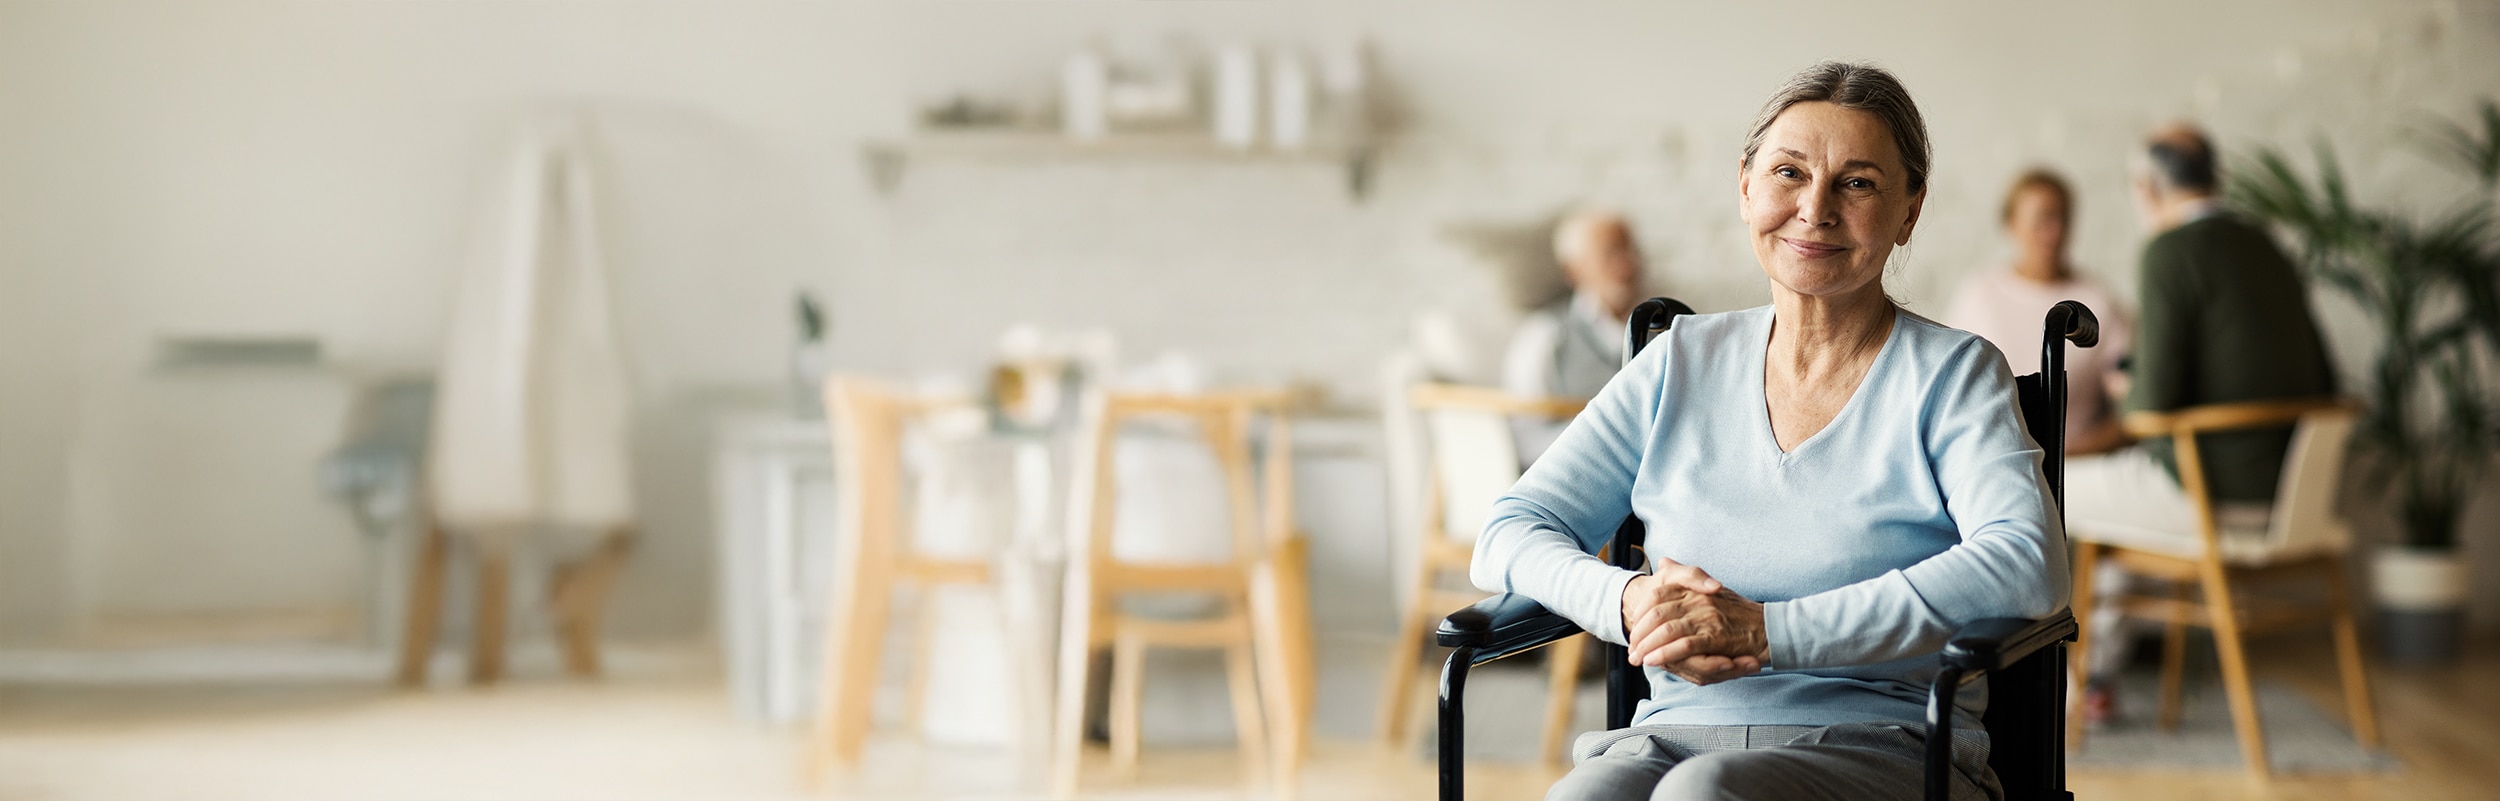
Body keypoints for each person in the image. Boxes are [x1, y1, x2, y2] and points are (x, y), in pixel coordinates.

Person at [1472, 61, 2065, 801]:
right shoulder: (1678, 361)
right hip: (1668, 734)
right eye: (1789, 172)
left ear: (1908, 210)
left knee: (1705, 794)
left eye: (1858, 182)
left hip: (1882, 745)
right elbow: (1507, 530)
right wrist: (1628, 602)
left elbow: (2026, 564)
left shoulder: (1953, 373)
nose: (1814, 208)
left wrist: (1767, 630)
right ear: (1746, 186)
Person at [2060, 124, 2337, 714]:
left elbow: (2150, 411)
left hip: (2209, 498)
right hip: (2293, 500)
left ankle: (2044, 684)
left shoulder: (2170, 250)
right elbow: (2328, 379)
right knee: (2119, 511)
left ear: (2146, 188)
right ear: (2216, 177)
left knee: (2044, 485)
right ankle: (2096, 680)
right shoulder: (2267, 246)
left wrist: (2126, 388)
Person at [1944, 169, 2133, 455]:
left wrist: (2070, 456)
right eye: (2042, 219)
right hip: (1992, 458)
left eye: (2063, 219)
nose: (2054, 233)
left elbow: (2132, 404)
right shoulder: (1979, 294)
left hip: (2075, 467)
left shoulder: (2098, 301)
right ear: (2011, 224)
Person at [1501, 210, 1647, 464]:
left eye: (1630, 250)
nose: (1627, 265)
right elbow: (1525, 437)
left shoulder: (1666, 330)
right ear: (1574, 271)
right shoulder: (1544, 336)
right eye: (1610, 254)